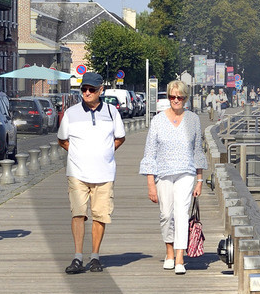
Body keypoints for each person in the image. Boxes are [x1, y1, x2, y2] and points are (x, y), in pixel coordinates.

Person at [58, 71, 125, 273]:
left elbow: (120, 137)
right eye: (84, 89)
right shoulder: (71, 113)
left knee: (100, 215)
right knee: (78, 213)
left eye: (91, 89)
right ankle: (78, 256)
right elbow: (62, 139)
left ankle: (95, 256)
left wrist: (105, 153)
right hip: (77, 173)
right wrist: (78, 153)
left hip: (104, 174)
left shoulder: (112, 112)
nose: (86, 93)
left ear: (100, 90)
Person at [139, 79, 205, 274]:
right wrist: (151, 183)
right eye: (172, 96)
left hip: (186, 172)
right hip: (163, 174)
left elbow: (198, 151)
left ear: (185, 99)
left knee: (181, 213)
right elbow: (150, 153)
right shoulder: (158, 120)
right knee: (166, 214)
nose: (175, 100)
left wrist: (199, 180)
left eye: (179, 97)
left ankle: (179, 257)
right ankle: (169, 251)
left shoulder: (193, 120)